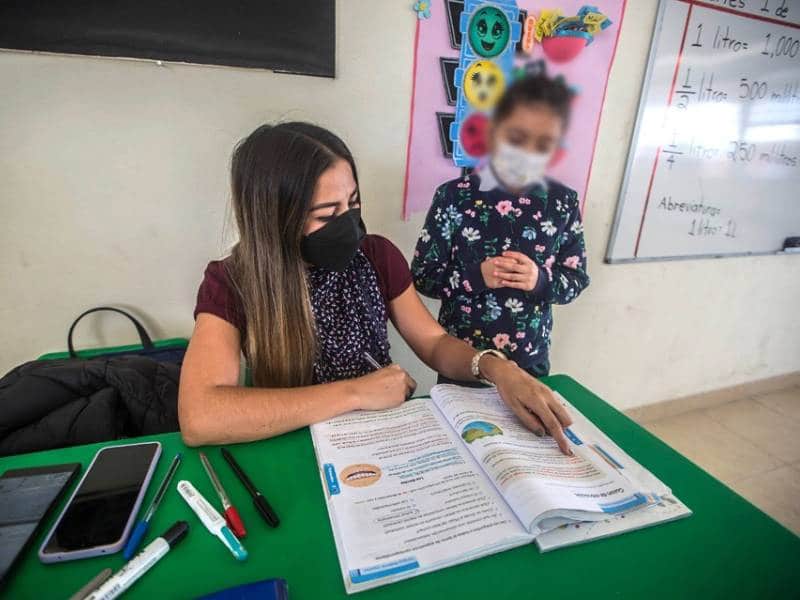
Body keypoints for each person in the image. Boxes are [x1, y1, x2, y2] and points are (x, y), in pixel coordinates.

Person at [178, 122, 572, 453]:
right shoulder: (232, 281)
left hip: (381, 443)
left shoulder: (377, 256)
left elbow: (433, 343)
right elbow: (201, 416)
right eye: (327, 213)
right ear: (275, 220)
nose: (348, 222)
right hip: (290, 446)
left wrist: (495, 368)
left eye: (353, 202)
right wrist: (354, 393)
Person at [411, 74, 590, 381]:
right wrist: (475, 277)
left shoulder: (563, 202)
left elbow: (575, 279)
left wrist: (540, 279)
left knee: (528, 429)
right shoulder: (454, 196)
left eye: (543, 144)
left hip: (529, 360)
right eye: (517, 138)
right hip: (462, 359)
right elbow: (423, 276)